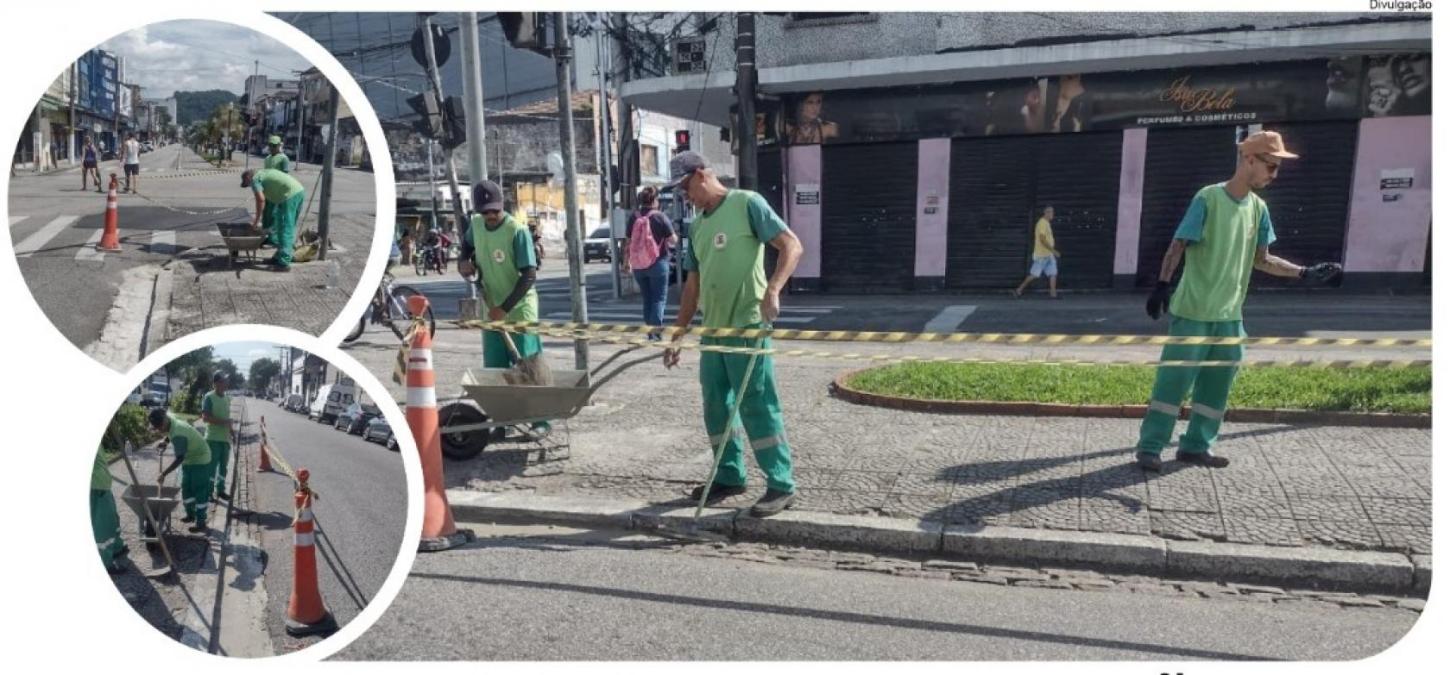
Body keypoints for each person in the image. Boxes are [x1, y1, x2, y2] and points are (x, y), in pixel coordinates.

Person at [1136, 131, 1343, 472]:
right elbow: (1178, 245)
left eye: (1276, 169)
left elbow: (1263, 259)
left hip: (1230, 315)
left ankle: (1196, 446)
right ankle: (1150, 447)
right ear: (1249, 159)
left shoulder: (1259, 209)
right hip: (1193, 310)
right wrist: (1161, 285)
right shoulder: (1208, 198)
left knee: (1217, 385)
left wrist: (1305, 272)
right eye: (1271, 166)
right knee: (1173, 382)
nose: (1274, 175)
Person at [663, 151, 804, 518]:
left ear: (700, 175)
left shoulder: (747, 203)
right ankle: (729, 475)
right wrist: (678, 334)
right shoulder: (696, 226)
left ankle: (781, 483)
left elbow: (791, 244)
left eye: (685, 187)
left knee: (757, 405)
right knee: (716, 406)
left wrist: (773, 289)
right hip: (714, 332)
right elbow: (691, 286)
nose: (684, 196)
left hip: (747, 328)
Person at [458, 180, 549, 435]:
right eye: (485, 211)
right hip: (492, 306)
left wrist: (505, 308)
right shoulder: (475, 226)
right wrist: (463, 261)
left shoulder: (516, 231)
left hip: (519, 308)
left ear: (502, 206)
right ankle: (504, 420)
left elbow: (529, 274)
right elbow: (466, 246)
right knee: (497, 367)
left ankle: (541, 421)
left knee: (528, 365)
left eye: (494, 210)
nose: (490, 216)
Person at [623, 185, 678, 339]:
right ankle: (656, 333)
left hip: (639, 265)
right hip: (658, 263)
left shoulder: (634, 217)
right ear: (654, 200)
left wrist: (626, 263)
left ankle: (649, 332)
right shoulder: (660, 217)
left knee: (647, 298)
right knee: (659, 299)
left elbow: (628, 242)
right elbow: (673, 241)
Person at [150, 407, 212, 534]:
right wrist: (165, 441)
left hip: (200, 459)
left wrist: (164, 474)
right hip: (190, 458)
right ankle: (191, 515)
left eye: (160, 426)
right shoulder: (171, 420)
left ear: (165, 419)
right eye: (156, 427)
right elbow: (169, 432)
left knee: (199, 490)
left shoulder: (178, 433)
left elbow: (179, 458)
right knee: (186, 488)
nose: (159, 429)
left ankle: (201, 522)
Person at [241, 168, 306, 270]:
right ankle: (278, 257)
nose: (250, 186)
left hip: (289, 196)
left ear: (248, 177)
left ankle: (284, 263)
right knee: (280, 227)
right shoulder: (263, 173)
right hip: (296, 192)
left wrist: (256, 221)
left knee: (285, 229)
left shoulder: (255, 180)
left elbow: (261, 200)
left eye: (247, 184)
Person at [91, 444, 128, 575]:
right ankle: (105, 563)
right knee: (102, 528)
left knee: (113, 520)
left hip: (104, 487)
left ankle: (117, 548)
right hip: (95, 489)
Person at [1013, 206, 1061, 299]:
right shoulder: (1042, 223)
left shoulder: (1046, 223)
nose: (1052, 214)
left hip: (1049, 255)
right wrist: (1053, 250)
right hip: (1041, 255)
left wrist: (1051, 252)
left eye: (1053, 212)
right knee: (1034, 275)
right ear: (1046, 213)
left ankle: (1053, 294)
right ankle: (1018, 290)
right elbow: (1042, 239)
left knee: (1053, 273)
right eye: (1051, 212)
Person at [200, 372, 233, 501]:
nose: (227, 383)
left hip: (225, 439)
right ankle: (208, 493)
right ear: (217, 383)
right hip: (212, 439)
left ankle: (220, 490)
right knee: (211, 468)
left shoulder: (226, 398)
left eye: (227, 381)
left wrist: (231, 431)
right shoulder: (209, 397)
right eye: (224, 381)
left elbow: (227, 418)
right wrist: (224, 422)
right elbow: (205, 418)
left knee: (223, 468)